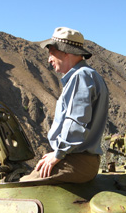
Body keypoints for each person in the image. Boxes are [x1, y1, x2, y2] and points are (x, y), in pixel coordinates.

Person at [21, 27, 109, 183]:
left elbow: (76, 122)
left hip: (78, 161)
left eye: (51, 52)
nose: (49, 59)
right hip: (79, 159)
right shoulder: (89, 75)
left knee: (21, 186)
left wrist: (58, 154)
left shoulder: (80, 76)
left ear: (65, 51)